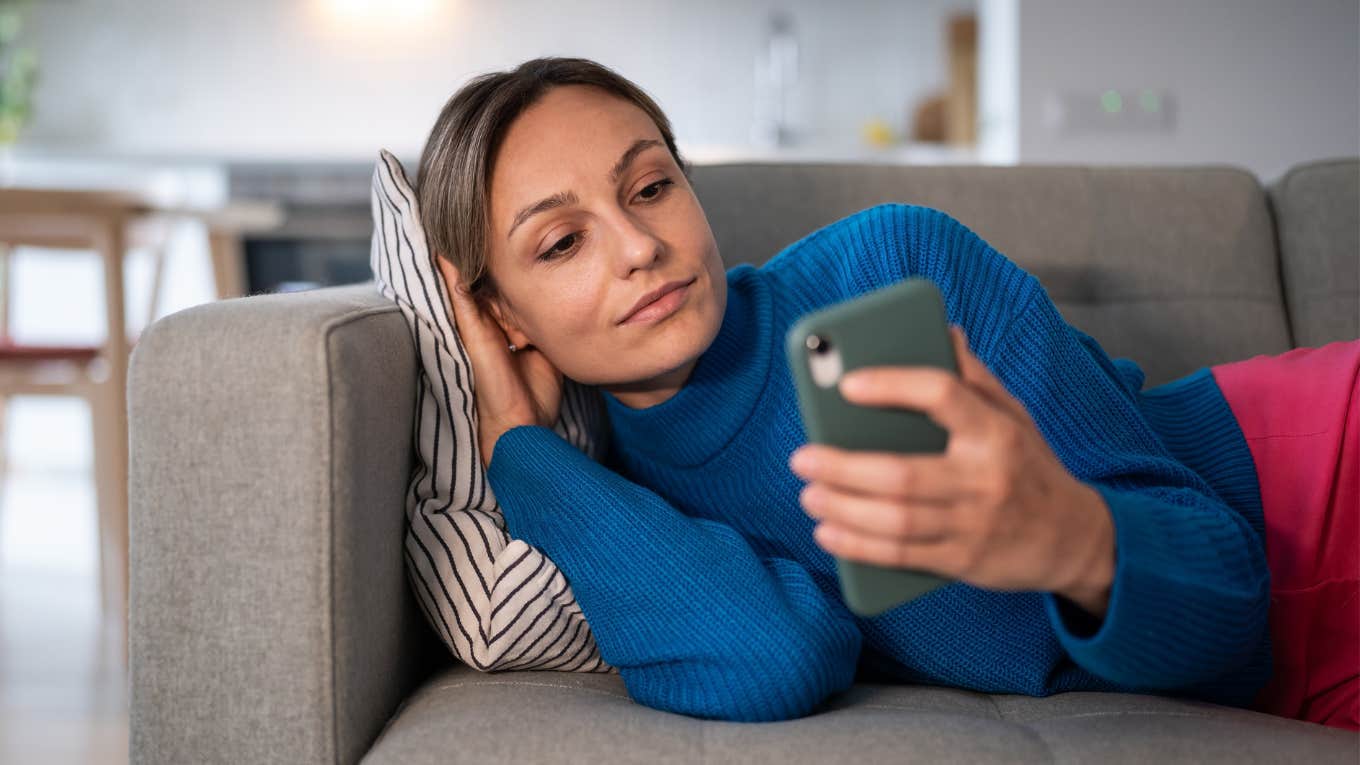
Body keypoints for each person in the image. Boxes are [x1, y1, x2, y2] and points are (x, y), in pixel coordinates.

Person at [414, 56, 1343, 727]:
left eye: (650, 186)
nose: (638, 246)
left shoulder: (892, 266)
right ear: (504, 318)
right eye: (561, 242)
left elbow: (1231, 587)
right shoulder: (624, 501)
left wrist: (1070, 534)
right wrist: (521, 453)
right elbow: (774, 659)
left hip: (1310, 477)